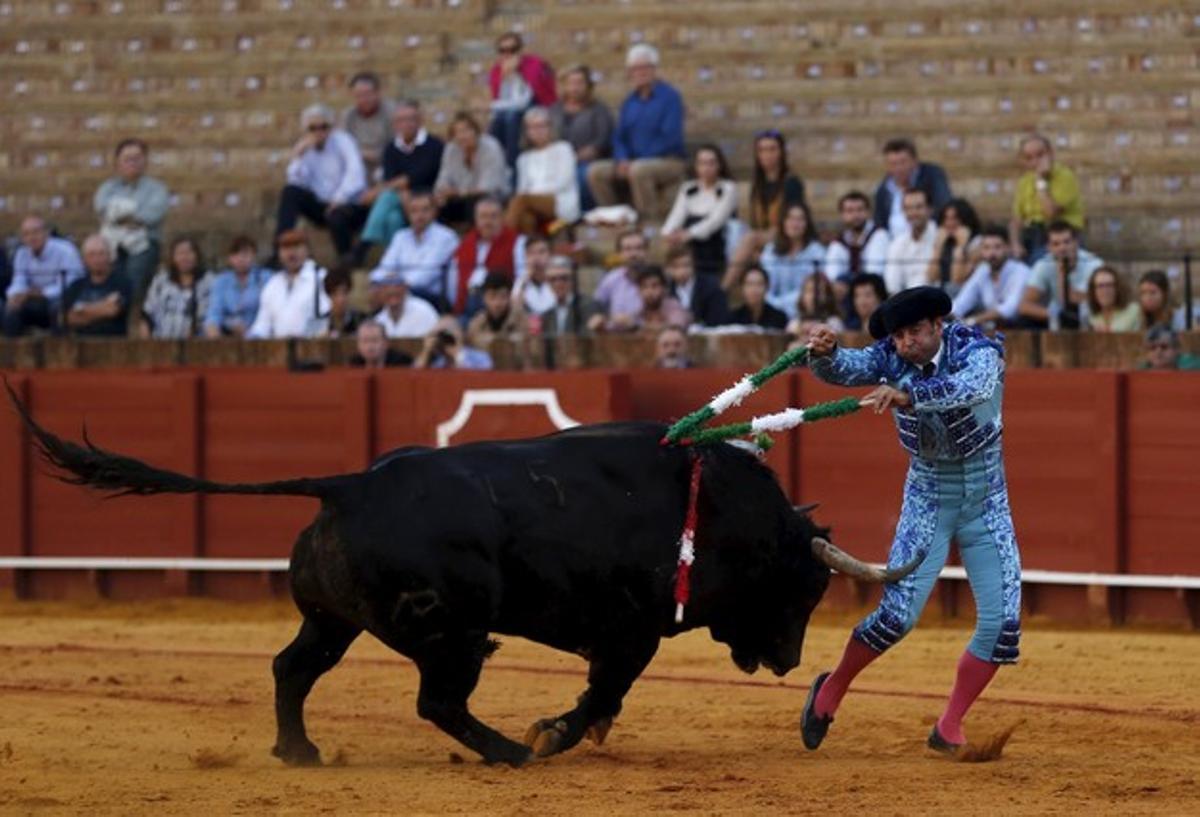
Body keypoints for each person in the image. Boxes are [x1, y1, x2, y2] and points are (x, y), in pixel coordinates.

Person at [801, 286, 1021, 757]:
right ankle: (831, 687)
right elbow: (846, 369)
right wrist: (825, 352)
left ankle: (950, 724)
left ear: (938, 325)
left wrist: (908, 394)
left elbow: (975, 387)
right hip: (928, 497)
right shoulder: (888, 355)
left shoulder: (976, 348)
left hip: (986, 499)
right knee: (896, 618)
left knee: (1003, 625)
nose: (905, 344)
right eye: (898, 336)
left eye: (915, 332)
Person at [586, 44, 686, 222]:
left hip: (668, 160)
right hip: (632, 161)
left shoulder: (670, 98)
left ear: (654, 69)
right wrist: (622, 159)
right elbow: (618, 137)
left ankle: (649, 223)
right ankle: (615, 219)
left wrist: (636, 161)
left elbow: (670, 138)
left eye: (644, 67)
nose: (640, 72)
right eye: (635, 69)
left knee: (639, 171)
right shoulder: (629, 101)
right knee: (595, 172)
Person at [275, 104, 368, 261]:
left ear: (331, 127)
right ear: (306, 130)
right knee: (290, 192)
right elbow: (297, 180)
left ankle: (347, 259)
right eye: (313, 128)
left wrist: (338, 199)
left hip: (348, 203)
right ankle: (280, 247)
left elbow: (356, 174)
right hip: (321, 205)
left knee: (336, 215)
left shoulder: (343, 141)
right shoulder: (305, 146)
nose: (319, 132)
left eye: (323, 127)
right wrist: (298, 156)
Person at [725, 130, 807, 286]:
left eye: (772, 149)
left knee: (750, 239)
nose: (767, 154)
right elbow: (756, 221)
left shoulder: (791, 183)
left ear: (781, 152)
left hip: (785, 234)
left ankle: (723, 288)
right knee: (737, 233)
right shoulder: (758, 185)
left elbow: (796, 219)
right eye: (762, 150)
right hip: (762, 237)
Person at [360, 100, 446, 249]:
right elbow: (391, 178)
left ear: (420, 121)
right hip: (400, 198)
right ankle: (397, 257)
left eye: (411, 119)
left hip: (426, 196)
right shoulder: (391, 148)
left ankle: (364, 245)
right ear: (395, 124)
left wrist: (380, 190)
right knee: (393, 218)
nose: (406, 124)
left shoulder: (434, 145)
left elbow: (420, 176)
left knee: (386, 196)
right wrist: (399, 190)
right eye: (401, 120)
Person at [93, 138, 170, 297]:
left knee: (133, 280)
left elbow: (152, 216)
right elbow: (103, 211)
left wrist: (119, 216)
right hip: (112, 242)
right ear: (117, 163)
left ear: (145, 161)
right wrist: (133, 217)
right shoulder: (107, 188)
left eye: (137, 158)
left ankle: (126, 308)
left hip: (145, 243)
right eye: (127, 159)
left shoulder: (157, 189)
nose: (132, 162)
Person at [370, 191, 459, 308]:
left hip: (432, 297)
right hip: (401, 292)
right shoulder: (400, 236)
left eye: (425, 210)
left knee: (391, 296)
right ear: (408, 214)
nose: (419, 215)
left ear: (434, 212)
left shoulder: (446, 237)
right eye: (414, 211)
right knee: (376, 292)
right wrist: (380, 282)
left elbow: (426, 275)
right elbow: (385, 267)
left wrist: (395, 285)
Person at [661, 144, 737, 278]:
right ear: (696, 166)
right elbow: (677, 214)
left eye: (711, 163)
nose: (706, 168)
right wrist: (668, 232)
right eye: (702, 163)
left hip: (714, 237)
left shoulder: (728, 188)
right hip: (688, 235)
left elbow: (716, 220)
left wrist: (689, 234)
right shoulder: (688, 188)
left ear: (719, 165)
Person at [4, 215, 84, 337]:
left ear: (46, 233)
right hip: (32, 300)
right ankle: (13, 351)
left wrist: (40, 293)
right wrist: (15, 295)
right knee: (11, 309)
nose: (31, 238)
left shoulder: (66, 250)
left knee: (57, 308)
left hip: (60, 300)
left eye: (36, 232)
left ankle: (58, 351)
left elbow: (71, 284)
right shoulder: (21, 253)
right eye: (26, 234)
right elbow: (19, 280)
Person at [1008, 134, 1084, 263]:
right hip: (1031, 234)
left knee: (1039, 263)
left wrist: (1040, 181)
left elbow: (1050, 212)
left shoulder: (1065, 176)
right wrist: (1015, 244)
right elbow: (1016, 220)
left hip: (1060, 236)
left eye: (1040, 155)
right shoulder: (1025, 181)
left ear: (1051, 153)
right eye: (1029, 158)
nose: (1035, 161)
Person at [549, 64, 614, 212]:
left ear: (588, 86)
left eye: (579, 83)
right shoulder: (554, 109)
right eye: (571, 83)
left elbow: (602, 140)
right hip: (557, 159)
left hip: (586, 160)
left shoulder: (598, 110)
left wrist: (578, 156)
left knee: (579, 176)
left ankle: (582, 213)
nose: (575, 88)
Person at [487, 31, 557, 168]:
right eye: (503, 51)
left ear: (520, 50)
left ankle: (512, 165)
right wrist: (505, 77)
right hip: (509, 110)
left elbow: (535, 93)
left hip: (537, 105)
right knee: (497, 123)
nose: (507, 54)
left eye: (512, 50)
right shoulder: (497, 70)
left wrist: (518, 73)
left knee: (512, 118)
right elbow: (499, 98)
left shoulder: (534, 64)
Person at [1018, 221, 1104, 330]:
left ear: (1076, 242)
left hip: (1089, 317)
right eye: (1056, 244)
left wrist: (1062, 275)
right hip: (1056, 319)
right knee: (1024, 322)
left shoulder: (1093, 264)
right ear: (1049, 247)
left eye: (1067, 242)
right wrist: (1056, 316)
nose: (1062, 248)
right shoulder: (1043, 264)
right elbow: (1024, 306)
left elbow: (1095, 300)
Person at [506, 108, 580, 234]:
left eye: (542, 126)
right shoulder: (523, 158)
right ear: (527, 132)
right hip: (530, 203)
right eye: (532, 127)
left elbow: (563, 182)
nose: (538, 131)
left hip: (559, 200)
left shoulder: (563, 149)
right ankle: (527, 249)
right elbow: (522, 188)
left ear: (550, 127)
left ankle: (502, 242)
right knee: (525, 218)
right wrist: (531, 198)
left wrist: (533, 196)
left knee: (521, 200)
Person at [451, 196, 526, 316]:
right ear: (476, 219)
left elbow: (522, 276)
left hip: (501, 305)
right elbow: (453, 281)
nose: (488, 222)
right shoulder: (465, 244)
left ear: (502, 218)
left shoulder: (517, 242)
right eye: (483, 216)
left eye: (493, 216)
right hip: (467, 306)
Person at [248, 230, 330, 339]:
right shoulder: (273, 284)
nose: (291, 253)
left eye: (296, 247)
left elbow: (325, 318)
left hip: (311, 347)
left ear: (307, 250)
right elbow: (262, 324)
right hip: (278, 350)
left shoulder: (321, 277)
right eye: (286, 248)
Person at [434, 112, 510, 225]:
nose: (462, 136)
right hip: (461, 197)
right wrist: (441, 193)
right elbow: (443, 179)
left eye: (466, 130)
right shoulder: (451, 149)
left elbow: (488, 187)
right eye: (457, 132)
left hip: (494, 197)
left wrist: (457, 192)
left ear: (476, 131)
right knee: (438, 205)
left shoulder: (491, 147)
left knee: (475, 202)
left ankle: (474, 240)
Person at [950, 226, 1030, 329]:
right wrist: (940, 315)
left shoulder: (1021, 271)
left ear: (1008, 248)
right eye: (987, 248)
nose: (992, 253)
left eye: (997, 247)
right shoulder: (982, 270)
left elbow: (1010, 309)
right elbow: (961, 303)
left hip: (1022, 330)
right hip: (994, 330)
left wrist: (973, 320)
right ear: (981, 250)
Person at [873, 138, 952, 239]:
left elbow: (944, 207)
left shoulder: (932, 176)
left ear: (915, 162)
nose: (898, 168)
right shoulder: (883, 189)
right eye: (893, 164)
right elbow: (880, 223)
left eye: (903, 162)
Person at [139, 235, 212, 339]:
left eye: (189, 253)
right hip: (161, 343)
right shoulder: (161, 280)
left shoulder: (209, 281)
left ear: (197, 256)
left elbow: (210, 318)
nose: (185, 257)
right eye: (180, 253)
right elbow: (147, 315)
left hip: (196, 344)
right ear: (173, 257)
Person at [759, 202, 824, 316]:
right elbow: (765, 287)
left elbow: (816, 290)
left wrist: (782, 305)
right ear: (783, 222)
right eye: (790, 218)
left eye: (800, 219)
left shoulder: (817, 252)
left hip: (805, 314)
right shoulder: (770, 251)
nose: (795, 224)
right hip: (772, 312)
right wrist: (775, 306)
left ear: (807, 224)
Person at [62, 234, 134, 337]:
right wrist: (103, 306)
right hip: (81, 346)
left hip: (114, 345)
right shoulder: (76, 286)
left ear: (109, 256)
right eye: (92, 255)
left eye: (101, 254)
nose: (97, 259)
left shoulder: (123, 283)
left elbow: (112, 311)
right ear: (84, 260)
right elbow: (70, 318)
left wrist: (81, 310)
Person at [203, 235, 272, 338]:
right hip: (228, 334)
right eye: (235, 254)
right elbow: (214, 311)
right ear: (230, 258)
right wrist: (213, 327)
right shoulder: (221, 281)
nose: (240, 259)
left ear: (254, 256)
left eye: (245, 254)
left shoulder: (266, 278)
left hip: (259, 335)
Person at [824, 191, 890, 296]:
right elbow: (831, 275)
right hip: (844, 293)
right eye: (850, 211)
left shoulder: (879, 235)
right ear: (842, 215)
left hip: (873, 293)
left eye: (860, 210)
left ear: (868, 212)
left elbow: (874, 273)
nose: (855, 215)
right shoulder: (838, 242)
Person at [589, 229, 649, 332]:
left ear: (647, 251)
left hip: (647, 338)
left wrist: (635, 322)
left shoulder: (656, 279)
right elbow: (596, 306)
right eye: (628, 249)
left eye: (639, 248)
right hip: (615, 338)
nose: (633, 254)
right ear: (619, 254)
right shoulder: (611, 279)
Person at [339, 71, 396, 177]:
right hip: (356, 168)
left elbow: (397, 149)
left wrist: (362, 153)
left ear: (378, 93)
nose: (364, 99)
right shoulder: (348, 116)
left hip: (387, 167)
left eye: (367, 94)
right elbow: (343, 147)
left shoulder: (392, 113)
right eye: (359, 95)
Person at [883, 189, 938, 295]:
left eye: (919, 207)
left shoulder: (940, 237)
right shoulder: (897, 243)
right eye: (908, 208)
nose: (913, 213)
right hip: (905, 304)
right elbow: (892, 285)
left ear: (930, 209)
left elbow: (934, 280)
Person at [926, 198, 981, 295]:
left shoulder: (977, 243)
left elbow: (957, 280)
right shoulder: (944, 242)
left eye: (954, 218)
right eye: (946, 218)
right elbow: (931, 277)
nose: (949, 223)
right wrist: (938, 248)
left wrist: (960, 246)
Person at [664, 245, 728, 327]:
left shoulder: (710, 286)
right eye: (676, 266)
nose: (682, 271)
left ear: (693, 265)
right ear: (668, 269)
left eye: (686, 265)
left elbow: (719, 319)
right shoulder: (666, 290)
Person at [540, 255, 598, 337]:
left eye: (564, 278)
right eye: (553, 279)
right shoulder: (546, 311)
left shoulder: (588, 305)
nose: (558, 283)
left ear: (573, 279)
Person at [369, 273, 440, 339]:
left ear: (405, 289)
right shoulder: (379, 319)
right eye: (389, 295)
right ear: (381, 293)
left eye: (396, 294)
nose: (393, 300)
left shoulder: (424, 310)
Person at [466, 274, 525, 349]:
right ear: (484, 298)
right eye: (492, 297)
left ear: (509, 297)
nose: (497, 303)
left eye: (503, 297)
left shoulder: (522, 322)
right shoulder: (475, 325)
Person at [414, 315, 493, 370]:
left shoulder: (481, 357)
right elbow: (414, 376)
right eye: (441, 334)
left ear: (460, 334)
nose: (445, 338)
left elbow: (482, 378)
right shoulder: (438, 362)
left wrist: (457, 355)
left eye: (448, 333)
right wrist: (426, 352)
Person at [786, 271, 844, 343]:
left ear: (827, 296)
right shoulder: (795, 323)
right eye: (809, 291)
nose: (813, 297)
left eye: (818, 292)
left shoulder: (834, 323)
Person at [630, 265, 688, 332]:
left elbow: (675, 327)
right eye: (644, 287)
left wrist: (638, 326)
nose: (649, 292)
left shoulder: (673, 306)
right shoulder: (639, 308)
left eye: (654, 286)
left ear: (664, 289)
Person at [1086, 266, 1142, 332]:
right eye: (1100, 286)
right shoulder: (1093, 317)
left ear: (1118, 288)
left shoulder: (1134, 311)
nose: (1105, 290)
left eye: (1109, 285)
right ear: (1093, 291)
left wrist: (1111, 334)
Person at [514, 235, 556, 316]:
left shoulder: (559, 278)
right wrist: (525, 280)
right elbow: (515, 310)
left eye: (541, 252)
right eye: (531, 253)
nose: (536, 257)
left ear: (550, 255)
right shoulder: (522, 281)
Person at [323, 267, 366, 338]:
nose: (341, 299)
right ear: (328, 295)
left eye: (344, 292)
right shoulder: (321, 322)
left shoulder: (362, 320)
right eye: (335, 294)